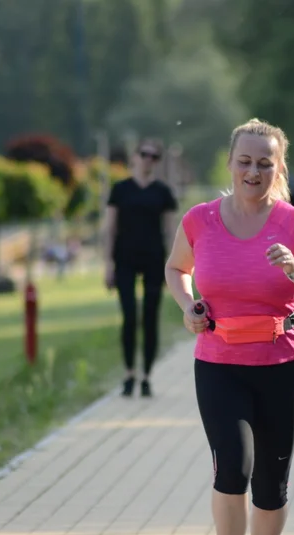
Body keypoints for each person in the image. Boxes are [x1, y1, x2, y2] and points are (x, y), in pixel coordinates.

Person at [164, 118, 294, 535]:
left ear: (278, 167)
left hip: (281, 365)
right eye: (245, 161)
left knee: (271, 484)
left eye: (265, 162)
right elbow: (177, 269)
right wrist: (188, 304)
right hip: (219, 364)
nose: (253, 170)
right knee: (232, 469)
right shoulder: (200, 220)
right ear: (231, 163)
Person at [104, 139, 179, 397]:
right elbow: (110, 229)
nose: (149, 159)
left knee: (150, 316)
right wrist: (107, 265)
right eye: (144, 154)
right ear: (134, 157)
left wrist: (174, 266)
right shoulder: (120, 189)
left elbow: (171, 232)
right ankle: (128, 373)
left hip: (154, 259)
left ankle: (146, 375)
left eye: (154, 156)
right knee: (129, 316)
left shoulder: (162, 192)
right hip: (124, 258)